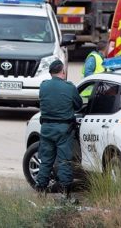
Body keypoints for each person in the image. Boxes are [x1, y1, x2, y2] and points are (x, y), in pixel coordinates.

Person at [35, 59, 82, 196]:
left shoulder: (43, 86)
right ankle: (65, 193)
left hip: (46, 128)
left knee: (46, 161)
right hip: (64, 129)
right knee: (64, 161)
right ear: (63, 72)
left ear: (50, 73)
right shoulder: (69, 87)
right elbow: (78, 105)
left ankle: (41, 190)